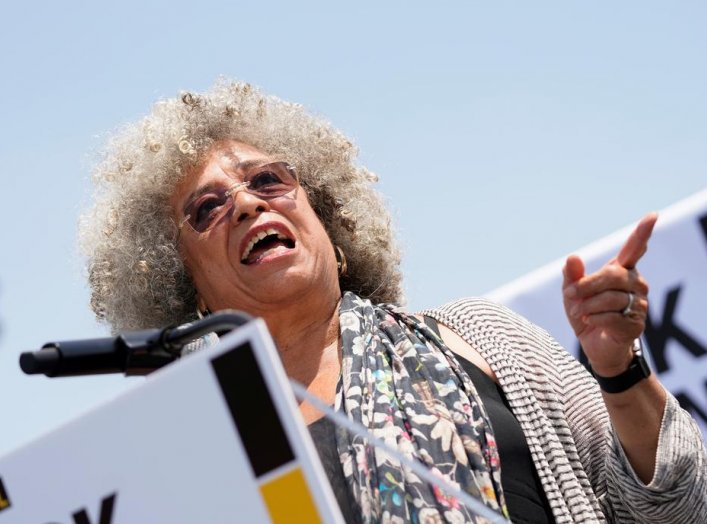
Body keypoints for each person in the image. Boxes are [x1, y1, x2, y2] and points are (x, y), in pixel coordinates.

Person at [80, 80, 706, 523]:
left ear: (325, 216)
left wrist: (621, 373)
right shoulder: (188, 449)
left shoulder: (480, 337)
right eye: (208, 208)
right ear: (184, 284)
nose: (247, 204)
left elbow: (682, 507)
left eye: (268, 180)